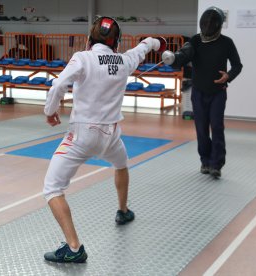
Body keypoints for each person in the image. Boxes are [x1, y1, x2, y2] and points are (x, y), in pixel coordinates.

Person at [42, 16, 165, 263]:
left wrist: (50, 111)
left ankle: (74, 248)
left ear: (90, 39)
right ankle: (123, 210)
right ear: (116, 42)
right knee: (121, 164)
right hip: (111, 135)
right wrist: (157, 42)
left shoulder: (82, 57)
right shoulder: (124, 60)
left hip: (83, 135)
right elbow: (144, 46)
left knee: (52, 188)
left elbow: (58, 85)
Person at [162, 6, 243, 179]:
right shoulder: (196, 40)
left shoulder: (226, 42)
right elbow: (184, 55)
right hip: (198, 93)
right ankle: (205, 161)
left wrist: (228, 76)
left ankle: (216, 164)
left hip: (218, 93)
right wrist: (174, 58)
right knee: (201, 129)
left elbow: (237, 65)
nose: (208, 25)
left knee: (217, 127)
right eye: (206, 22)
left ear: (219, 25)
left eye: (211, 23)